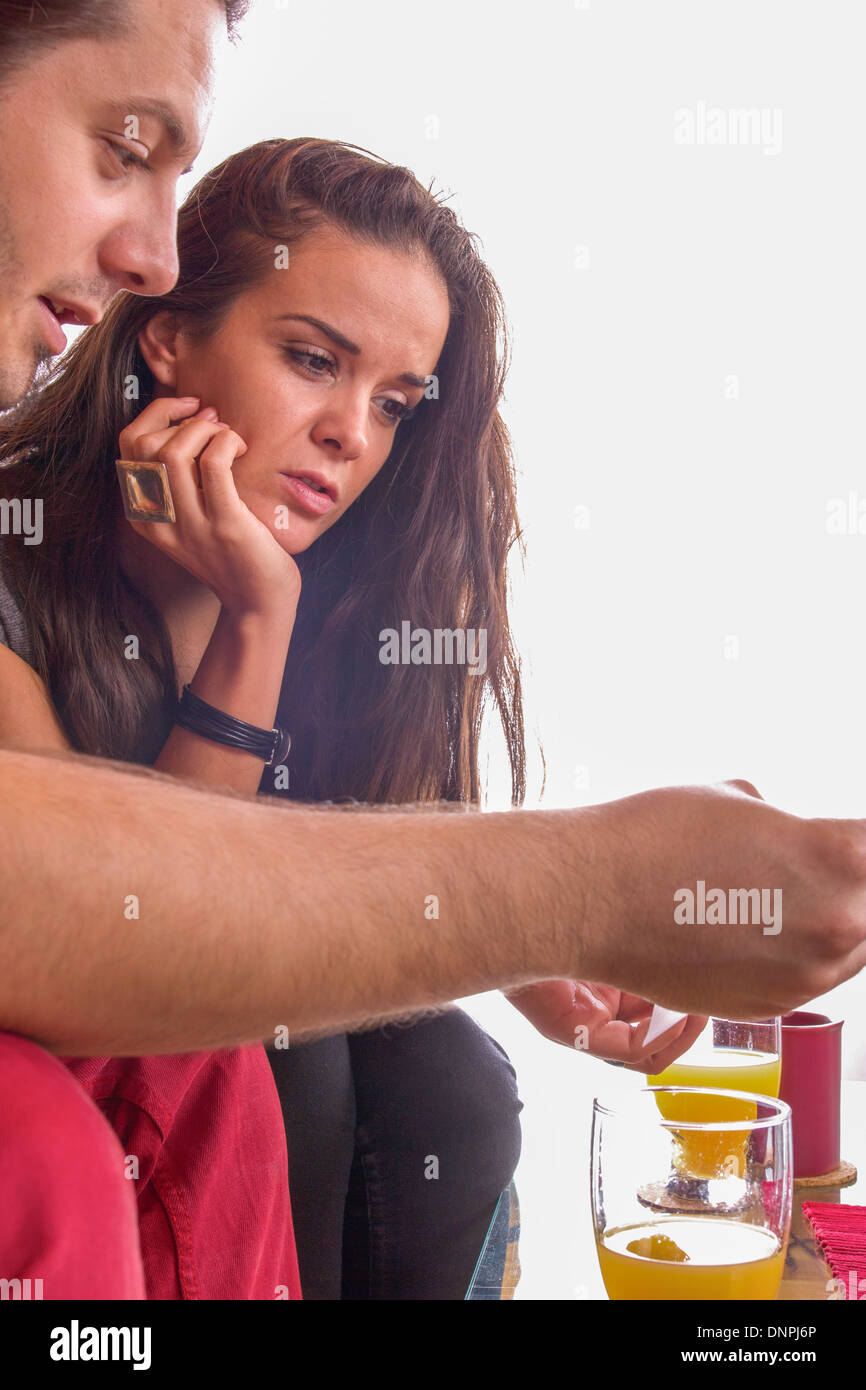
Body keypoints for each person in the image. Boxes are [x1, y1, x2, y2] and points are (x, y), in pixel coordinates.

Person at [1, 0, 865, 1298]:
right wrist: (253, 625)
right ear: (168, 332)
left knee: (446, 1070)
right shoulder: (28, 575)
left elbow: (360, 883)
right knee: (269, 1052)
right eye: (310, 360)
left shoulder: (363, 624)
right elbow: (135, 967)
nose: (352, 434)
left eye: (394, 405)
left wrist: (530, 960)